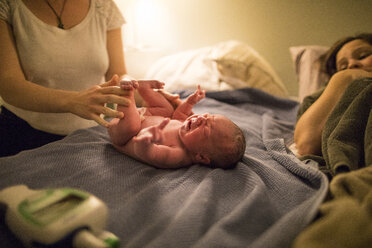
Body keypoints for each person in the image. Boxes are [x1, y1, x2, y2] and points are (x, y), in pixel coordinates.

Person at [0, 0, 163, 157]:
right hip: (22, 133)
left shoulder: (104, 7)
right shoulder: (8, 6)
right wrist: (74, 101)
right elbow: (9, 85)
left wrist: (146, 93)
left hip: (87, 135)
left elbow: (118, 75)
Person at [108, 82, 246, 169]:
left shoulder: (178, 155)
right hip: (146, 115)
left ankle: (126, 95)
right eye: (208, 116)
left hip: (124, 136)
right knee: (167, 110)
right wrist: (190, 103)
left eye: (206, 128)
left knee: (131, 125)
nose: (201, 119)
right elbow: (179, 115)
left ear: (201, 157)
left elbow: (146, 153)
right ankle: (145, 89)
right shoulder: (185, 128)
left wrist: (147, 138)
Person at [294, 33, 372, 156]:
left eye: (363, 56)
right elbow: (306, 145)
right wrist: (344, 78)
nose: (351, 65)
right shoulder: (316, 99)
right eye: (343, 66)